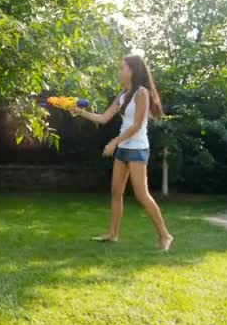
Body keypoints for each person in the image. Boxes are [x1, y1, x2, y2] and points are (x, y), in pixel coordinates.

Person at [71, 55, 174, 251]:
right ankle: (113, 234)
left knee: (141, 194)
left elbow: (136, 125)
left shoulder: (142, 93)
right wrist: (78, 112)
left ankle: (165, 235)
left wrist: (113, 142)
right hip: (123, 149)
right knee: (116, 192)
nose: (120, 71)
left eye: (122, 68)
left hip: (137, 149)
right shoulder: (123, 95)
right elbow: (103, 118)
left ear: (133, 70)